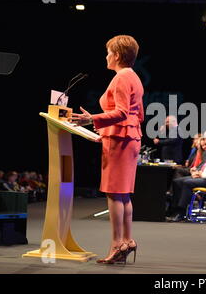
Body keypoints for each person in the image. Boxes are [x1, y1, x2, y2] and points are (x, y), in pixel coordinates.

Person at [71, 34, 144, 264]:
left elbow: (122, 112)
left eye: (108, 52)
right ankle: (127, 241)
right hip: (128, 137)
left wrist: (91, 119)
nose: (106, 56)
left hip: (120, 139)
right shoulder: (134, 77)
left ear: (117, 55)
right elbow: (138, 114)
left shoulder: (121, 78)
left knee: (114, 193)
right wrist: (104, 130)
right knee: (123, 194)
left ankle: (116, 244)